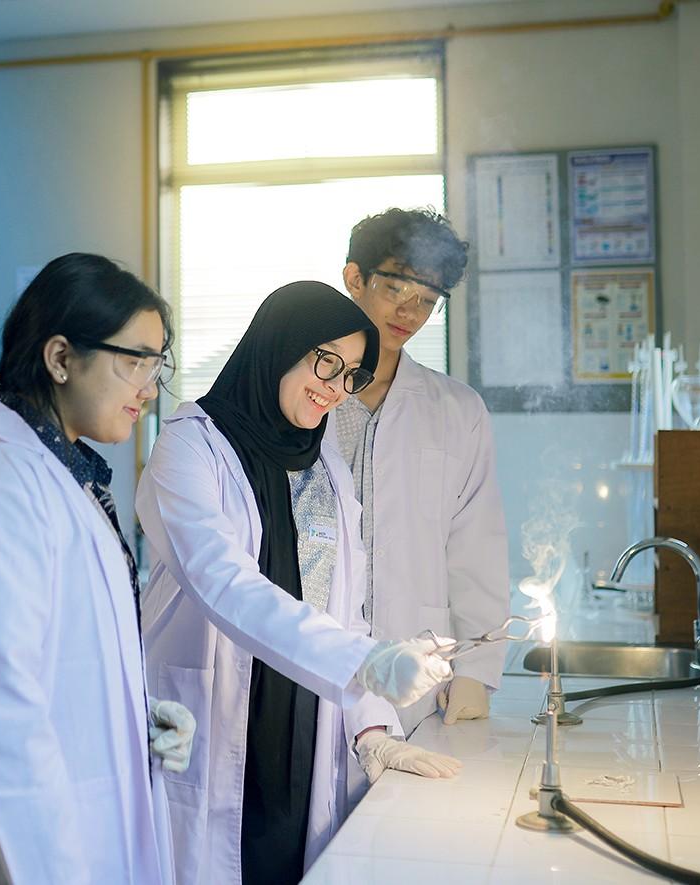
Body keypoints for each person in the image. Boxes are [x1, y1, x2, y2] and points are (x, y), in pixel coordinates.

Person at [139, 281, 460, 885]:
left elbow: (347, 613)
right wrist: (364, 661)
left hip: (302, 728)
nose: (336, 387)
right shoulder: (188, 447)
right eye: (325, 361)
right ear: (279, 346)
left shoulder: (322, 463)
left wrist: (372, 727)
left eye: (352, 375)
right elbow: (224, 583)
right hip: (207, 720)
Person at [0, 253, 194, 885]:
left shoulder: (66, 475)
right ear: (61, 358)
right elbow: (0, 702)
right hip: (23, 851)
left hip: (84, 820)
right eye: (134, 360)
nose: (148, 386)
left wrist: (133, 714)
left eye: (156, 363)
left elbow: (63, 658)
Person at [331, 207, 509, 736]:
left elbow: (476, 551)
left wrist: (477, 669)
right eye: (396, 289)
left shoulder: (457, 410)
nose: (410, 311)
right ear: (354, 278)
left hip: (417, 673)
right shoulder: (307, 393)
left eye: (428, 301)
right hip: (315, 656)